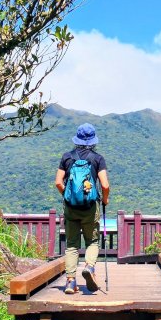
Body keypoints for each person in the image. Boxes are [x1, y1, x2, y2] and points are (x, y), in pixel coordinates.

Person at [55, 122, 110, 294]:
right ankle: (89, 267)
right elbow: (105, 185)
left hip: (71, 208)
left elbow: (58, 182)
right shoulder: (97, 159)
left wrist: (68, 195)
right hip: (90, 207)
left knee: (71, 244)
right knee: (92, 241)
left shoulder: (67, 157)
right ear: (93, 141)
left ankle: (71, 282)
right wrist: (105, 200)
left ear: (77, 139)